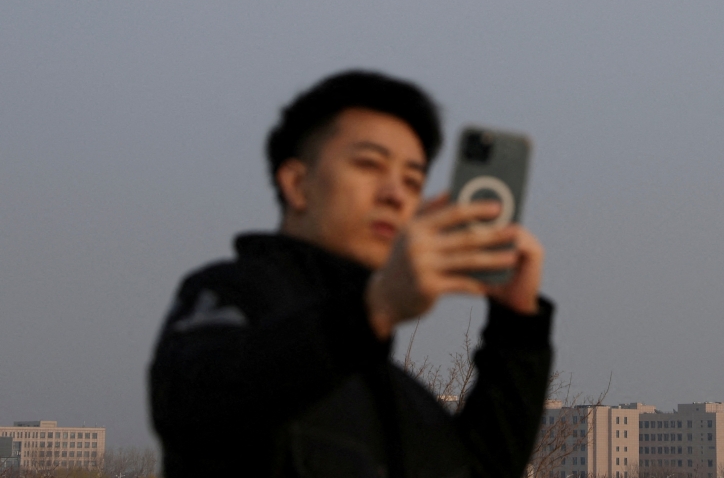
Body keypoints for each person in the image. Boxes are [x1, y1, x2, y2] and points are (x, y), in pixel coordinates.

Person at [149, 70, 553, 478]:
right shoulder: (232, 295)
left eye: (413, 181)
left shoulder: (403, 398)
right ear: (296, 183)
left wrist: (517, 329)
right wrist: (371, 312)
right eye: (369, 164)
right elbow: (193, 407)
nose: (395, 194)